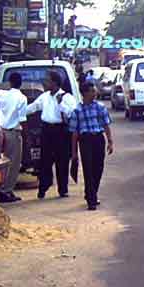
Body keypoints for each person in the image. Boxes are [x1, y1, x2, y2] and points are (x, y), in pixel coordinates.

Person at [26, 71, 77, 199]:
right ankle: (44, 186)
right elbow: (33, 107)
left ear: (54, 83)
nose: (45, 82)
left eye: (47, 80)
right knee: (45, 161)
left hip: (61, 131)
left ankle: (63, 189)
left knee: (62, 161)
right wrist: (17, 111)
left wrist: (61, 103)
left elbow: (72, 113)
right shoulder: (45, 96)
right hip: (47, 131)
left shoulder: (66, 97)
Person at [69, 82, 113, 211]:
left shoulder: (100, 107)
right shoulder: (77, 111)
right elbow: (74, 134)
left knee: (98, 168)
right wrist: (74, 153)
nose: (95, 93)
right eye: (92, 91)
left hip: (98, 139)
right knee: (88, 169)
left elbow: (106, 125)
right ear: (85, 93)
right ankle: (91, 200)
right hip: (85, 140)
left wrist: (110, 141)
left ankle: (91, 193)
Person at [0, 73, 28, 203]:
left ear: (9, 82)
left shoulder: (1, 94)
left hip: (1, 133)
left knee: (1, 163)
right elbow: (22, 120)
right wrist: (26, 137)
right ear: (21, 83)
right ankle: (5, 190)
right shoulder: (22, 98)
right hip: (13, 133)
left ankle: (2, 188)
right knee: (13, 163)